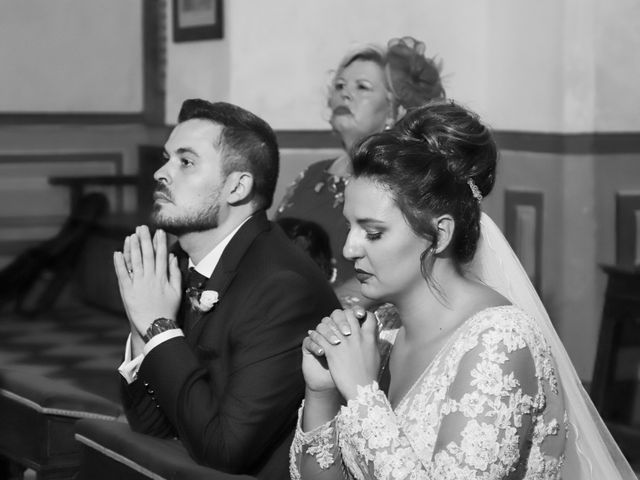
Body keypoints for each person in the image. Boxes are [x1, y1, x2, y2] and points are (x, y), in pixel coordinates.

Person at [290, 101, 637, 479]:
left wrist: (361, 394)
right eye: (350, 227)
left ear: (439, 234)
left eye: (373, 232)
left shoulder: (501, 343)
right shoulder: (384, 329)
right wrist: (321, 393)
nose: (349, 249)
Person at [113, 99, 341, 478]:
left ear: (237, 186)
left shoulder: (282, 289)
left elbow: (225, 451)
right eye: (167, 158)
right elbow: (150, 426)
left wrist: (157, 326)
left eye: (185, 162)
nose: (160, 173)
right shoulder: (178, 263)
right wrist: (145, 330)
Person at [275, 36, 445, 307]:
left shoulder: (398, 181)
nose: (345, 93)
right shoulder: (312, 173)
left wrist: (323, 313)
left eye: (362, 87)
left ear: (393, 110)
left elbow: (406, 266)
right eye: (339, 85)